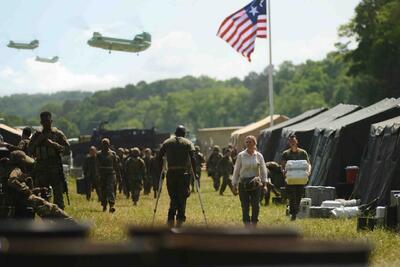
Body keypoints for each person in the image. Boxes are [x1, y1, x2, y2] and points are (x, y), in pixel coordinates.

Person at [3, 150, 72, 220]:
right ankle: (71, 223)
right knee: (52, 208)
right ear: (21, 162)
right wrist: (27, 191)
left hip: (10, 198)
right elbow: (12, 181)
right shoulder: (16, 170)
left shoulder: (5, 169)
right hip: (19, 200)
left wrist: (36, 190)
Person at [28, 111, 70, 209]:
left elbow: (67, 149)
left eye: (48, 121)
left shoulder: (58, 134)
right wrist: (38, 141)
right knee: (43, 196)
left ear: (51, 121)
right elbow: (29, 151)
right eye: (44, 121)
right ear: (41, 122)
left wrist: (53, 145)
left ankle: (60, 218)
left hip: (55, 169)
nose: (46, 123)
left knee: (58, 195)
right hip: (41, 169)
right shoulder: (37, 135)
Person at [158, 125, 197, 228]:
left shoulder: (167, 142)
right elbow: (193, 158)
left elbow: (159, 156)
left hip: (171, 174)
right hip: (183, 174)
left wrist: (160, 172)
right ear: (184, 134)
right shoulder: (188, 143)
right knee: (182, 198)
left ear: (175, 133)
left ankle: (170, 219)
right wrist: (195, 173)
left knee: (173, 197)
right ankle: (180, 220)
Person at [232, 135, 268, 226]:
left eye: (250, 142)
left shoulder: (259, 156)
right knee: (245, 206)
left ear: (254, 143)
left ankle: (254, 223)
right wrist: (234, 185)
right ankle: (247, 225)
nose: (248, 143)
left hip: (256, 184)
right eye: (247, 142)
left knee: (256, 205)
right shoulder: (241, 155)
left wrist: (265, 184)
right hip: (243, 184)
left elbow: (264, 171)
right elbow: (236, 170)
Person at [280, 134, 311, 221]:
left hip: (301, 179)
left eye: (293, 141)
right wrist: (283, 171)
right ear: (288, 142)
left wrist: (308, 172)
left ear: (297, 141)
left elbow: (308, 164)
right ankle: (293, 214)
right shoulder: (286, 153)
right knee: (292, 196)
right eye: (290, 141)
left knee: (299, 196)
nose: (292, 142)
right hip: (290, 179)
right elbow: (282, 165)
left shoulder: (303, 153)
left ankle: (293, 211)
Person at [97, 138, 120, 213]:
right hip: (102, 174)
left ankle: (111, 205)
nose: (105, 146)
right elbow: (96, 165)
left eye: (106, 144)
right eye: (104, 144)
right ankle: (104, 205)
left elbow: (116, 165)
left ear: (109, 145)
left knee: (110, 189)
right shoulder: (99, 154)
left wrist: (118, 176)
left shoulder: (113, 154)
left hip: (111, 174)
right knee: (103, 190)